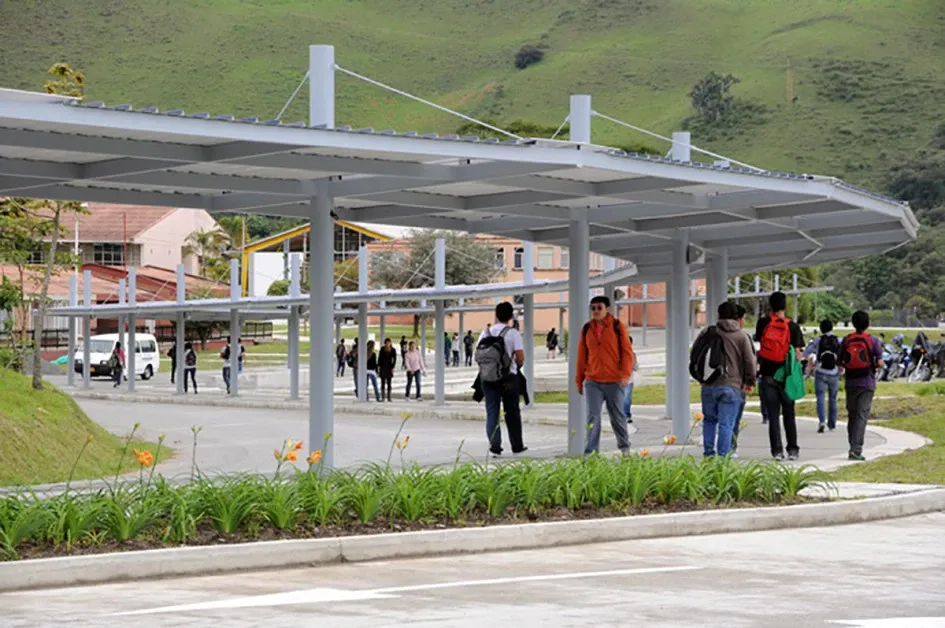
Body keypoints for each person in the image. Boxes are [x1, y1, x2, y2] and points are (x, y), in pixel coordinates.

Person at [695, 301, 756, 457]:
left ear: (719, 315)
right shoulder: (741, 336)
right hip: (731, 385)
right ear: (736, 317)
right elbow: (749, 361)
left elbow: (695, 354)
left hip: (708, 384)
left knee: (709, 420)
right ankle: (723, 459)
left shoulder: (708, 332)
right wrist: (750, 381)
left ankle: (708, 455)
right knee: (726, 424)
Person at [575, 295, 634, 455]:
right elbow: (581, 356)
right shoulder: (587, 329)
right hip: (593, 380)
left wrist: (625, 374)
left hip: (614, 380)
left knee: (617, 416)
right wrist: (579, 380)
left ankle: (625, 449)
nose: (596, 311)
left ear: (607, 309)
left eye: (599, 308)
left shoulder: (617, 326)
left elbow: (628, 353)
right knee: (593, 417)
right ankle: (591, 453)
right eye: (593, 308)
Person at [755, 291, 805, 460]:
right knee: (789, 414)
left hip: (768, 374)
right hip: (787, 377)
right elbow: (797, 354)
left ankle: (777, 451)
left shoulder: (762, 323)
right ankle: (793, 449)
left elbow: (760, 346)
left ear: (770, 305)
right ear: (785, 305)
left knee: (773, 415)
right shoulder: (792, 326)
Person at [475, 301, 527, 456]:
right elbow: (520, 357)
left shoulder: (485, 333)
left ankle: (495, 446)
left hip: (488, 378)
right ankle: (517, 445)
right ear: (511, 316)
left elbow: (478, 355)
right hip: (508, 378)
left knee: (492, 412)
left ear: (496, 315)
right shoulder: (513, 334)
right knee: (512, 412)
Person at [840, 311, 884, 461]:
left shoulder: (847, 340)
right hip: (867, 383)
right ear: (868, 323)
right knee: (861, 415)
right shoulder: (874, 341)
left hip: (851, 382)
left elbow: (840, 361)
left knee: (852, 415)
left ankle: (852, 446)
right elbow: (879, 362)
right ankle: (855, 449)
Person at [804, 319, 841, 434]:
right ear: (832, 328)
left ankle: (822, 422)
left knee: (820, 397)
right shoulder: (837, 340)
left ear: (821, 329)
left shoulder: (818, 340)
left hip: (820, 371)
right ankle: (832, 424)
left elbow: (806, 352)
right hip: (834, 372)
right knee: (833, 398)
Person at [622, 334, 639, 424]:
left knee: (626, 399)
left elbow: (636, 367)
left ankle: (627, 415)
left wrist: (633, 363)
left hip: (629, 380)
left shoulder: (632, 355)